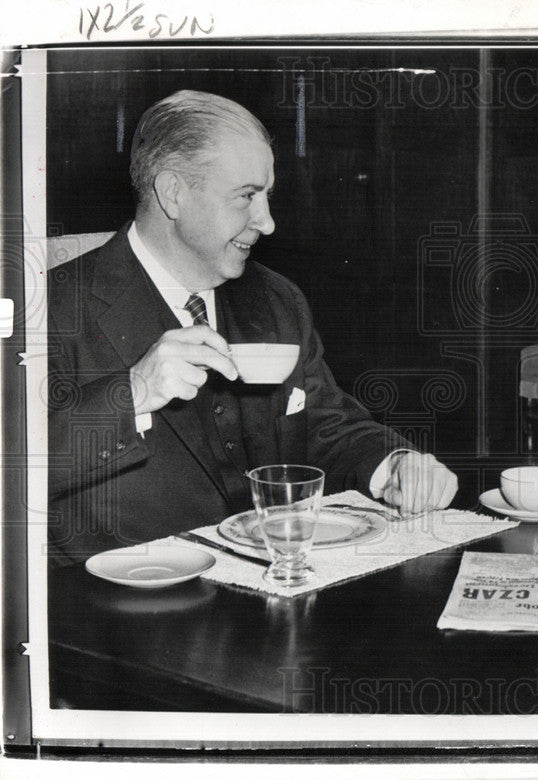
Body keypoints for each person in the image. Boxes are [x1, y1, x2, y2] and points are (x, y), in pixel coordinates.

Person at [47, 90, 458, 564]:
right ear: (173, 192)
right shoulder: (50, 309)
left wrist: (395, 465)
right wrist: (133, 393)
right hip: (115, 614)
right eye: (246, 196)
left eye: (267, 197)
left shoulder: (277, 299)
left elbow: (327, 424)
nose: (267, 223)